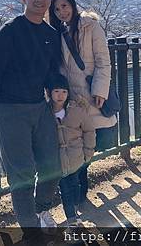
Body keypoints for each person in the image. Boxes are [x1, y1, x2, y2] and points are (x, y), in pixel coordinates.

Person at [0, 0, 62, 241]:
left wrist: (59, 94)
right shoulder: (10, 30)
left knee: (52, 166)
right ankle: (30, 229)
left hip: (40, 106)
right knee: (22, 172)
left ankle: (39, 212)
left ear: (50, 1)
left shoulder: (51, 35)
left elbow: (51, 72)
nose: (39, 0)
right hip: (10, 109)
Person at [49, 0, 118, 208]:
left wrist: (100, 90)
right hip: (71, 99)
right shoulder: (58, 32)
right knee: (73, 142)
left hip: (90, 96)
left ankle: (79, 190)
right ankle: (78, 192)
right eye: (57, 8)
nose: (61, 11)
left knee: (89, 141)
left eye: (64, 6)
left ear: (73, 4)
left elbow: (103, 60)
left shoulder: (91, 26)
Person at [47, 74, 95, 231]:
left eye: (63, 92)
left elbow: (88, 130)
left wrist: (88, 151)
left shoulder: (76, 110)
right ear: (49, 93)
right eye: (56, 92)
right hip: (57, 161)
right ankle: (72, 220)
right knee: (65, 190)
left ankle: (74, 213)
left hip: (75, 158)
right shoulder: (45, 112)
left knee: (75, 186)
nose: (60, 96)